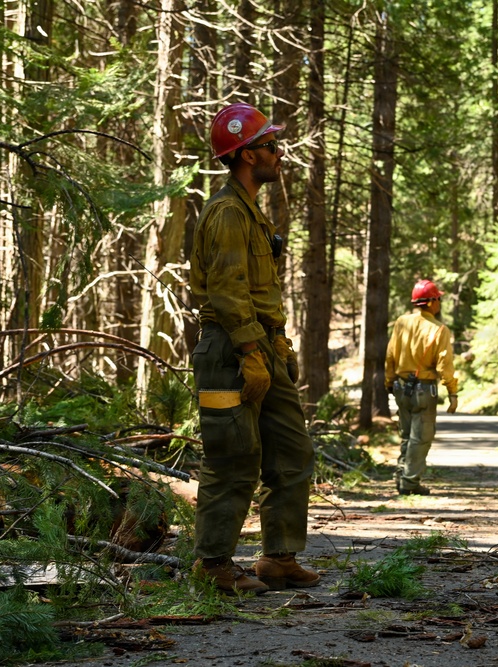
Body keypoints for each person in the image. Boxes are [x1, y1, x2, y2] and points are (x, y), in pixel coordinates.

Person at [187, 102, 319, 595]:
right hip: (229, 351)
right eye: (270, 146)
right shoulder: (225, 212)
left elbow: (258, 288)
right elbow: (225, 288)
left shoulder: (250, 213)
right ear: (246, 155)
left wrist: (276, 343)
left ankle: (279, 557)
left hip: (260, 344)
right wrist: (248, 350)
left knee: (291, 450)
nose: (278, 153)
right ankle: (213, 564)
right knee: (233, 456)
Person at [384, 279, 459, 495]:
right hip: (423, 389)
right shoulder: (438, 329)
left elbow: (390, 355)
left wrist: (389, 382)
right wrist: (452, 392)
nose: (440, 303)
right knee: (421, 437)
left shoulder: (401, 322)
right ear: (431, 302)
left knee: (407, 434)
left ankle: (401, 475)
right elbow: (445, 364)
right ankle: (409, 482)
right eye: (439, 299)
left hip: (400, 386)